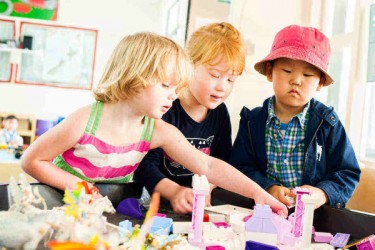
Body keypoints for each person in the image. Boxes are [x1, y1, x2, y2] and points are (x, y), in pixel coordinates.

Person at [21, 32, 287, 215]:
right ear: (135, 77)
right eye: (166, 85)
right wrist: (80, 188)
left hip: (102, 212)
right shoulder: (84, 121)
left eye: (177, 87)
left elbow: (207, 164)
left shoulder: (155, 130)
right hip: (60, 208)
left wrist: (259, 194)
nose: (174, 94)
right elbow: (32, 161)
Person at [229, 25, 361, 209]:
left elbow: (347, 172)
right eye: (287, 71)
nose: (296, 80)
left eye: (307, 74)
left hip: (315, 219)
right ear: (270, 72)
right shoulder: (252, 122)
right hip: (263, 213)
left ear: (320, 82)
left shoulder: (327, 123)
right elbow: (239, 168)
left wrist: (322, 193)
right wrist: (268, 187)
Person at [134, 22, 245, 214]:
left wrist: (206, 189)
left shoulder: (219, 113)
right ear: (189, 65)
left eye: (230, 80)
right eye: (215, 75)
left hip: (198, 205)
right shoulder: (165, 106)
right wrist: (175, 191)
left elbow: (222, 162)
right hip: (156, 203)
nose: (222, 87)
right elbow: (143, 166)